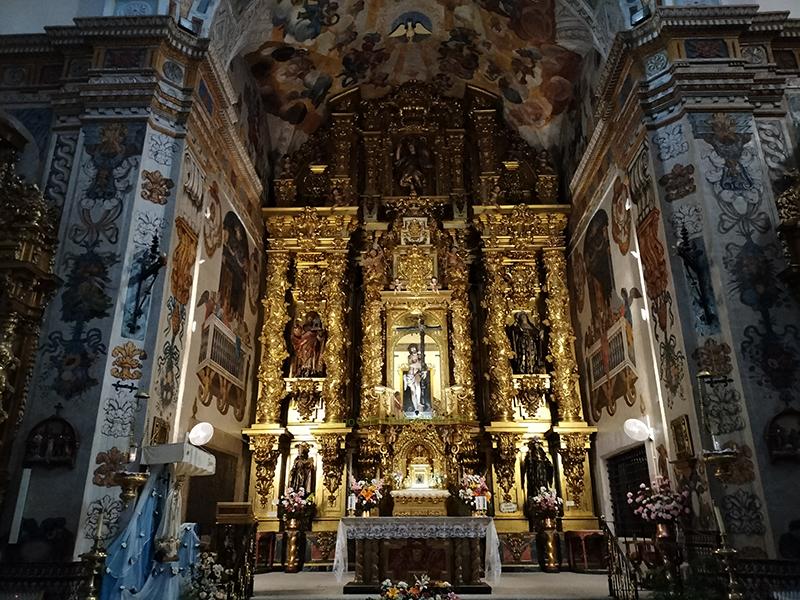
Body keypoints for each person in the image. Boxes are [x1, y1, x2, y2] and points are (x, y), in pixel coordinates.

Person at [403, 344, 429, 414]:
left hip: (417, 374)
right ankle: (416, 408)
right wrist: (419, 364)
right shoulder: (410, 357)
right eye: (412, 350)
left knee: (418, 387)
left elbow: (424, 365)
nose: (413, 350)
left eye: (414, 349)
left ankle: (418, 402)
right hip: (410, 375)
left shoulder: (420, 356)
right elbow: (411, 365)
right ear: (410, 351)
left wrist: (425, 371)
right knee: (413, 392)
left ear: (416, 349)